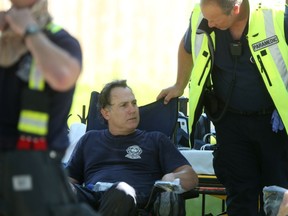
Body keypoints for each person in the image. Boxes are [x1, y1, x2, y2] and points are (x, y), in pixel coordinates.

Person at [157, 0, 288, 215]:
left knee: (278, 193)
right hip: (230, 122)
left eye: (215, 20)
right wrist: (179, 84)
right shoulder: (203, 15)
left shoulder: (276, 19)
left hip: (274, 124)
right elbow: (187, 45)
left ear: (235, 9)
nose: (208, 23)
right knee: (239, 193)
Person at [0, 0, 89, 215]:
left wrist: (30, 31)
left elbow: (62, 75)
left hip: (34, 169)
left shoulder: (59, 41)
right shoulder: (4, 43)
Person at [66, 79, 199, 216]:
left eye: (134, 103)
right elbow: (68, 179)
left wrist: (172, 177)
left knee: (121, 190)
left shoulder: (155, 140)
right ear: (106, 113)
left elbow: (191, 176)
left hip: (134, 203)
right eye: (124, 105)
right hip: (93, 198)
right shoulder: (90, 139)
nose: (133, 110)